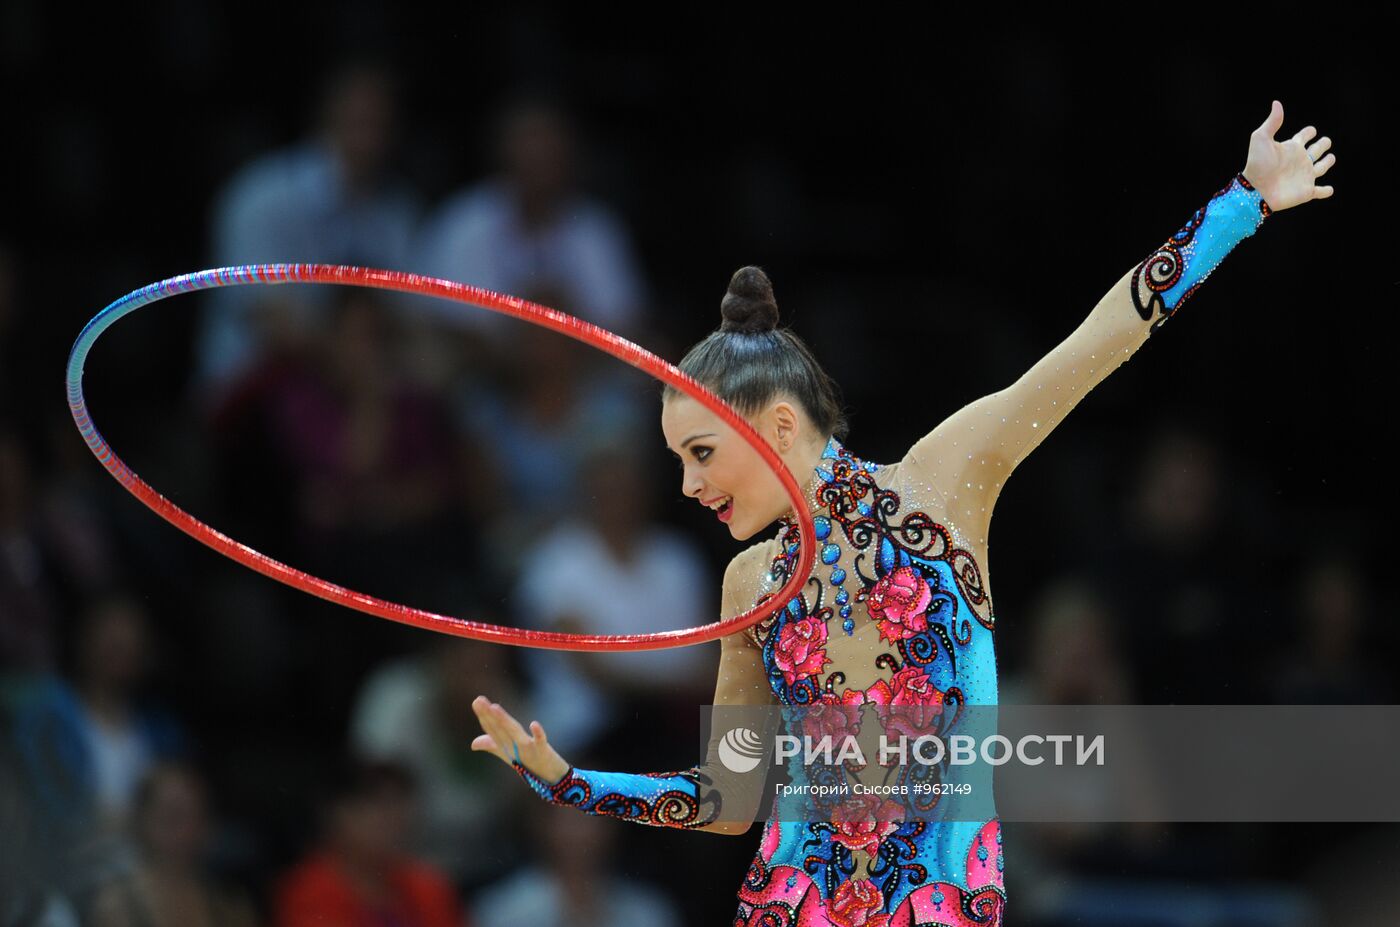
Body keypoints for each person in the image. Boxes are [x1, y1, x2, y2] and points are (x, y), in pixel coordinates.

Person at [469, 102, 1335, 923]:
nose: (689, 486)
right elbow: (726, 801)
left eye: (699, 453)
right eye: (677, 462)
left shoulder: (945, 482)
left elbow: (1096, 344)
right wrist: (566, 778)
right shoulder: (751, 580)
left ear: (775, 426)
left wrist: (1245, 201)